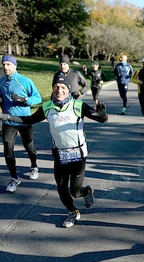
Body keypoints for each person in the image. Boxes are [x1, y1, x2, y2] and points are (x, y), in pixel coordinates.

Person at [0, 75, 108, 227]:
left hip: (78, 155)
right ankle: (72, 212)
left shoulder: (78, 105)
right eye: (56, 87)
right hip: (60, 155)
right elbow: (29, 120)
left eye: (63, 87)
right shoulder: (47, 107)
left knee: (75, 191)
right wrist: (7, 116)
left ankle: (87, 192)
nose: (59, 90)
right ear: (52, 88)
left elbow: (100, 118)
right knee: (61, 189)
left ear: (69, 89)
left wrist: (103, 115)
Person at [0, 54, 42, 192]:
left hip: (24, 120)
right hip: (8, 121)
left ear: (14, 66)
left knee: (29, 147)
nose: (5, 67)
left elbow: (37, 98)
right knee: (7, 149)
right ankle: (14, 178)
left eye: (8, 64)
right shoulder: (1, 82)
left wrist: (24, 100)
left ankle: (34, 166)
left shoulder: (24, 81)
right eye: (4, 64)